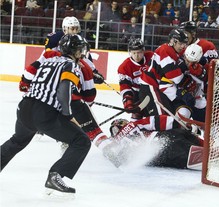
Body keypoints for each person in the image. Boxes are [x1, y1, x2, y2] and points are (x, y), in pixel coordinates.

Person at [1, 34, 91, 194]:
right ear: (76, 51)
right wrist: (69, 116)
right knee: (82, 141)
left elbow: (29, 77)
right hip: (43, 112)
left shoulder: (48, 60)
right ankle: (56, 175)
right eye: (80, 51)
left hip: (24, 108)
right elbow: (64, 91)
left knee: (17, 141)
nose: (82, 54)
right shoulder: (71, 65)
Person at [20, 16, 107, 146]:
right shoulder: (55, 40)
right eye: (72, 28)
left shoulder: (80, 42)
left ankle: (67, 133)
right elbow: (45, 61)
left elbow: (87, 62)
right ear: (65, 29)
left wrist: (94, 73)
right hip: (56, 80)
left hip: (71, 81)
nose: (75, 31)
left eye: (77, 28)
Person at [100, 116, 203, 169]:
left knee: (182, 154)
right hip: (169, 135)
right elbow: (157, 120)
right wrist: (182, 124)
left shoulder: (116, 143)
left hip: (164, 148)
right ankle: (210, 148)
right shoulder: (134, 124)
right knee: (191, 140)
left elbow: (113, 156)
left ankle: (206, 156)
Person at [139, 28, 194, 122]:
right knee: (161, 115)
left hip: (157, 86)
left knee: (168, 113)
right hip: (150, 86)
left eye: (184, 44)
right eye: (180, 44)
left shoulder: (172, 50)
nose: (183, 46)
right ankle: (158, 135)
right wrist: (188, 82)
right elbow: (175, 77)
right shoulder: (165, 50)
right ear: (173, 42)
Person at [117, 38, 154, 121]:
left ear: (143, 51)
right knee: (137, 114)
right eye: (134, 53)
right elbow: (125, 86)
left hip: (154, 91)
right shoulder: (124, 67)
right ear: (129, 52)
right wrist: (128, 101)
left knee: (154, 114)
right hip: (137, 94)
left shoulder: (151, 57)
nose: (137, 56)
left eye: (139, 52)